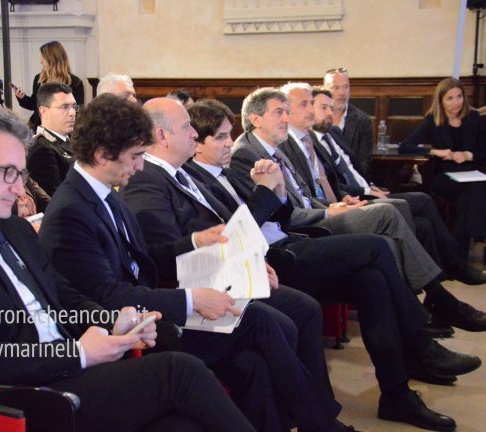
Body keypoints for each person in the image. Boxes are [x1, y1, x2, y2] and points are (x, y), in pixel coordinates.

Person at [0, 103, 256, 432]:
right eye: (8, 173)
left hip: (63, 370)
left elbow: (62, 296)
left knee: (181, 425)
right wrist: (77, 353)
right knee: (180, 370)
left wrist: (113, 321)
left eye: (21, 173)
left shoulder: (13, 228)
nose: (20, 188)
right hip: (23, 396)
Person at [40, 94, 354, 432]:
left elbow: (145, 258)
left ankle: (315, 423)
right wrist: (192, 300)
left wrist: (196, 243)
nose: (140, 165)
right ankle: (323, 425)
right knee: (258, 319)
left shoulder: (102, 192)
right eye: (135, 156)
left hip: (151, 311)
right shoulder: (72, 211)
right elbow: (107, 296)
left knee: (253, 363)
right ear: (102, 155)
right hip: (133, 330)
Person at [179, 97, 482, 431]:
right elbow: (235, 234)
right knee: (377, 245)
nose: (229, 142)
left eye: (229, 135)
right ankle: (420, 341)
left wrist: (276, 190)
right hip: (275, 258)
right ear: (197, 145)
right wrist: (266, 191)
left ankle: (397, 395)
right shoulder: (206, 173)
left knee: (373, 281)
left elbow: (279, 216)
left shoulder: (220, 171)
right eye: (221, 137)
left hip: (288, 243)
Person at [231, 87, 486, 335]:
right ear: (256, 119)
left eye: (288, 111)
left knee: (401, 223)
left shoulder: (274, 147)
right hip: (302, 231)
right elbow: (280, 214)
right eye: (280, 112)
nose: (286, 118)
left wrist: (334, 205)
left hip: (318, 213)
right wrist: (329, 212)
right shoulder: (247, 154)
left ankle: (424, 310)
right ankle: (433, 303)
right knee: (387, 216)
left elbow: (306, 197)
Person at [311, 87, 486, 287]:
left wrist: (370, 186)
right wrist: (366, 191)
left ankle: (440, 277)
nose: (330, 112)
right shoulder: (310, 142)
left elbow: (354, 169)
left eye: (331, 108)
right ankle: (452, 269)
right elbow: (332, 183)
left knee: (427, 219)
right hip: (355, 198)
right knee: (424, 203)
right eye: (323, 108)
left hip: (369, 189)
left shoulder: (333, 133)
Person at [400, 77, 486, 259]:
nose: (456, 103)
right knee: (475, 189)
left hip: (472, 175)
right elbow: (405, 146)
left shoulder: (474, 118)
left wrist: (469, 155)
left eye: (459, 96)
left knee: (468, 196)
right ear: (441, 101)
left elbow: (484, 151)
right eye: (450, 98)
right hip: (445, 176)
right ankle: (478, 236)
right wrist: (436, 152)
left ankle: (457, 254)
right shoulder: (433, 120)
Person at [13, 41, 84, 130]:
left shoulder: (75, 82)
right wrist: (22, 98)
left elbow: (78, 112)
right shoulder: (39, 79)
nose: (41, 61)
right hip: (39, 126)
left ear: (52, 58)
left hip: (63, 129)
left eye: (43, 57)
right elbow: (34, 105)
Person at [26, 82, 77, 196]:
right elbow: (55, 198)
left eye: (74, 107)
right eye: (65, 107)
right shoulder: (41, 150)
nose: (72, 113)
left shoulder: (69, 141)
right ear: (44, 111)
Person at [322, 68, 373, 176]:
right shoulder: (316, 119)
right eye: (335, 87)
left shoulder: (362, 120)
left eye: (346, 87)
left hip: (352, 180)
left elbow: (364, 163)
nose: (342, 93)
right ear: (325, 90)